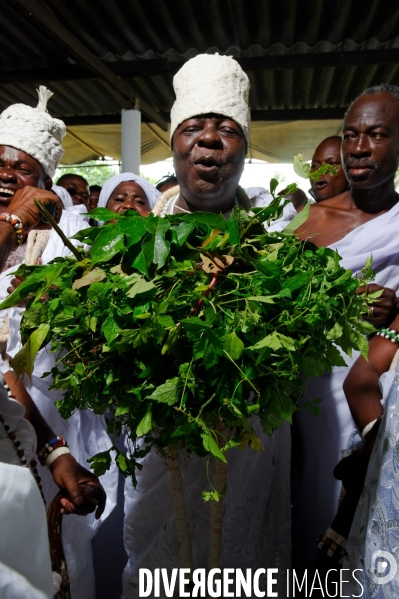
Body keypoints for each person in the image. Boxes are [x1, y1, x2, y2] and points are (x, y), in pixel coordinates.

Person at [123, 53, 291, 599]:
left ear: (245, 146)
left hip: (249, 449)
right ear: (172, 145)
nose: (209, 142)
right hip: (163, 452)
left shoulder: (278, 250)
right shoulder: (131, 250)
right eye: (193, 128)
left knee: (245, 553)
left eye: (227, 130)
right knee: (158, 555)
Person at [0, 88, 116, 599]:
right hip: (14, 416)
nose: (6, 176)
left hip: (38, 409)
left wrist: (52, 448)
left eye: (22, 170)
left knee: (51, 543)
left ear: (46, 185)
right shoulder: (10, 226)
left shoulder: (65, 236)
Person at [291, 84, 399, 574]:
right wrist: (335, 300)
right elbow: (270, 306)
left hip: (372, 395)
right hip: (302, 395)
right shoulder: (309, 221)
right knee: (306, 515)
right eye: (350, 134)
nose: (358, 147)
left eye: (375, 134)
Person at [308, 135, 349, 202]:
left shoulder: (367, 211)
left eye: (332, 164)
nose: (320, 171)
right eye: (315, 166)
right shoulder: (307, 211)